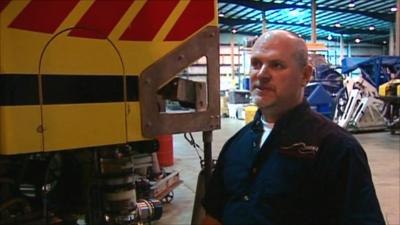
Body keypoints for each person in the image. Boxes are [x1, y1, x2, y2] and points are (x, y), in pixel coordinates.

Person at [201, 30, 385, 225]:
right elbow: (214, 215)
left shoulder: (337, 149)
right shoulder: (236, 145)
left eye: (276, 65)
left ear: (305, 75)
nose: (262, 74)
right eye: (256, 64)